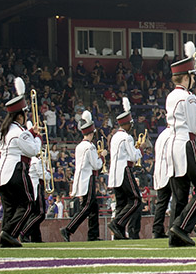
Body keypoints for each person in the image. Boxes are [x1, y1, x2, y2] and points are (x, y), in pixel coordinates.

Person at [166, 53, 196, 246]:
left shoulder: (171, 95)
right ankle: (181, 226)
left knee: (180, 193)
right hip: (187, 143)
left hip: (173, 144)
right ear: (187, 77)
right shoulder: (188, 97)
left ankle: (175, 235)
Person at [0, 79, 41, 248]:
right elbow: (33, 151)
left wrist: (30, 133)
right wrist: (37, 137)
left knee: (10, 208)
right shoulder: (20, 132)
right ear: (20, 115)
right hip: (16, 170)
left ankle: (5, 239)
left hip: (1, 173)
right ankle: (9, 234)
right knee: (27, 204)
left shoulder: (4, 131)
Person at [61, 111, 104, 242]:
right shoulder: (89, 147)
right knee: (86, 207)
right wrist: (102, 156)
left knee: (93, 208)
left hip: (82, 178)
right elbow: (96, 165)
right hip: (88, 178)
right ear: (91, 134)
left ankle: (93, 235)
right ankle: (68, 229)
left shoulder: (79, 146)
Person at [107, 101, 142, 241]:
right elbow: (133, 156)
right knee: (135, 200)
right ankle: (117, 223)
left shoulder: (115, 136)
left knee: (121, 203)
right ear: (127, 124)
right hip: (124, 170)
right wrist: (140, 149)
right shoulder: (127, 137)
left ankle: (119, 233)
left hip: (114, 173)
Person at [151, 126, 174, 240]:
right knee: (175, 200)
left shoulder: (161, 135)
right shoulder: (171, 134)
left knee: (161, 202)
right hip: (168, 170)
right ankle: (173, 227)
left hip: (160, 170)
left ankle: (157, 229)